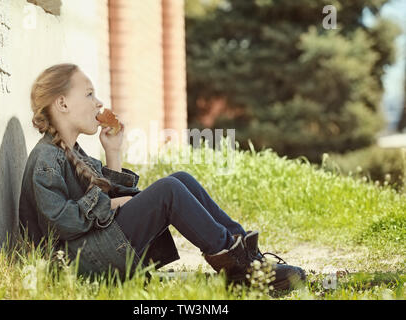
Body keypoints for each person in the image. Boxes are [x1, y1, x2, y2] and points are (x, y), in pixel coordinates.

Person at [19, 63, 305, 291]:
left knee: (181, 179)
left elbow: (105, 200)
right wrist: (115, 205)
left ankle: (245, 253)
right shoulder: (46, 159)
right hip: (73, 264)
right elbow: (61, 224)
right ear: (62, 104)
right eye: (89, 94)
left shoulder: (74, 152)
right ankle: (239, 269)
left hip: (92, 249)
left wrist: (113, 152)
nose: (99, 102)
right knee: (168, 189)